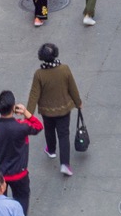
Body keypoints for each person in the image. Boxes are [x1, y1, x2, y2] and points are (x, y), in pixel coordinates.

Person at [22, 42, 82, 176]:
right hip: (64, 108)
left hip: (46, 110)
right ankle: (65, 164)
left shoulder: (39, 74)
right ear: (55, 53)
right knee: (64, 134)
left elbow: (34, 95)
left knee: (49, 130)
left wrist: (28, 114)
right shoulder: (64, 69)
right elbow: (73, 88)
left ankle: (51, 150)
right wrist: (78, 103)